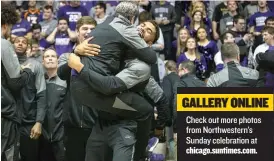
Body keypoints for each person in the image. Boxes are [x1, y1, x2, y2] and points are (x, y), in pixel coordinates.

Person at [70, 1, 158, 120]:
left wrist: (76, 55)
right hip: (96, 88)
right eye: (143, 25)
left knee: (137, 109)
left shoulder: (106, 25)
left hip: (91, 87)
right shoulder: (126, 30)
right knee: (143, 110)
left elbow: (159, 96)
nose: (142, 29)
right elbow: (109, 86)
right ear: (132, 20)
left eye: (149, 31)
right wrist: (76, 55)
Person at [58, 16, 98, 161]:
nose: (88, 32)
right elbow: (61, 74)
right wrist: (77, 53)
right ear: (77, 32)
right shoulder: (67, 56)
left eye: (92, 29)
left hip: (97, 123)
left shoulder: (103, 57)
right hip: (73, 122)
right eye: (85, 29)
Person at [1, 4, 32, 161]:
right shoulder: (4, 44)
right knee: (8, 154)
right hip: (4, 113)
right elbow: (16, 83)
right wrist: (26, 71)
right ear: (5, 25)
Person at [13, 36, 47, 161]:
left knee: (30, 157)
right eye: (17, 42)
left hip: (29, 123)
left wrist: (39, 122)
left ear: (28, 47)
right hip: (9, 121)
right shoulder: (5, 64)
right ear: (12, 45)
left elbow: (42, 94)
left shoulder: (35, 65)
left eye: (23, 42)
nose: (20, 44)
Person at [41, 49, 66, 161]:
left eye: (53, 56)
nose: (50, 58)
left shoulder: (65, 80)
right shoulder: (39, 81)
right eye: (47, 56)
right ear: (43, 62)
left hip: (62, 135)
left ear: (58, 60)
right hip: (43, 135)